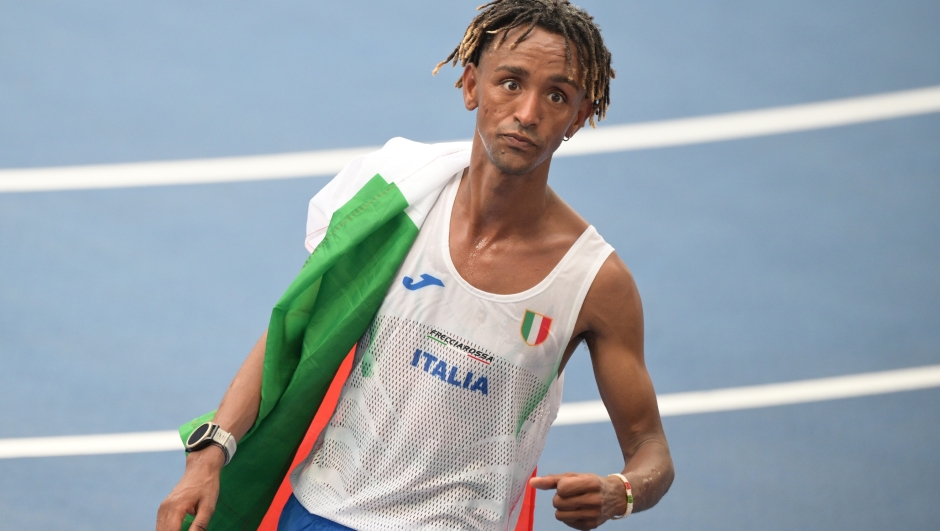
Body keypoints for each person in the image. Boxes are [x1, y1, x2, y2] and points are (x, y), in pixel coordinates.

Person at [157, 1, 674, 530]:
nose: (528, 112)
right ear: (472, 86)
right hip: (321, 515)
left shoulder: (594, 281)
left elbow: (651, 448)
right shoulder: (396, 203)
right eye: (511, 83)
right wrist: (209, 455)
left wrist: (622, 492)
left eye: (557, 95)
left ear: (578, 118)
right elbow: (291, 339)